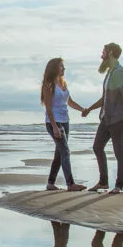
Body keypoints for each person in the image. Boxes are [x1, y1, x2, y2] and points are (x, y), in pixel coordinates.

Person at [81, 43, 123, 194]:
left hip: (118, 119)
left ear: (111, 53)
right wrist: (89, 109)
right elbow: (104, 98)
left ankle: (119, 185)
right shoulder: (110, 73)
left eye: (103, 52)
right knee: (97, 147)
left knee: (119, 152)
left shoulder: (119, 73)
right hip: (106, 118)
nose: (101, 55)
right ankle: (103, 182)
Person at [41, 57, 87, 192]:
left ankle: (50, 183)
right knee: (65, 152)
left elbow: (70, 102)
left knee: (59, 154)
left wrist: (82, 110)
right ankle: (70, 184)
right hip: (53, 122)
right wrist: (55, 127)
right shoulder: (49, 85)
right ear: (55, 68)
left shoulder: (63, 83)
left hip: (65, 121)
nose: (64, 69)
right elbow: (48, 109)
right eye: (61, 66)